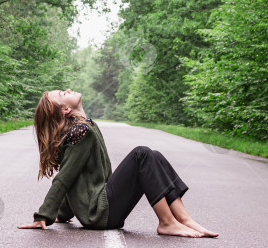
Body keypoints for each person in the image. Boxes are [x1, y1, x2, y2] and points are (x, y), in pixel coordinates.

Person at [18, 89, 218, 238]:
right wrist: (44, 215)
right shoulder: (81, 132)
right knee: (142, 154)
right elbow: (65, 178)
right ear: (66, 109)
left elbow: (78, 178)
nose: (68, 90)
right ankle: (167, 222)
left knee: (153, 155)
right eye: (63, 93)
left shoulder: (84, 127)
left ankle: (184, 219)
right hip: (99, 213)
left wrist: (63, 213)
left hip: (102, 210)